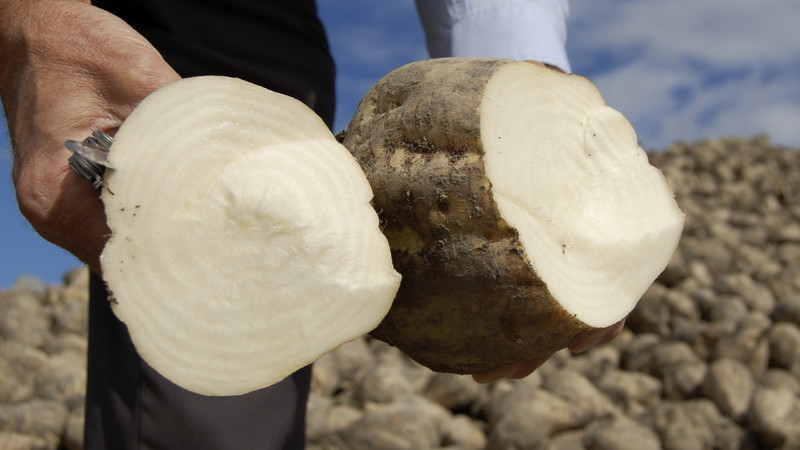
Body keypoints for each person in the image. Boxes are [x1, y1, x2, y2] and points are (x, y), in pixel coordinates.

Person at [0, 0, 624, 448]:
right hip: (149, 19)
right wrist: (34, 18)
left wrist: (534, 82)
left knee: (274, 356)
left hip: (274, 35)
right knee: (195, 394)